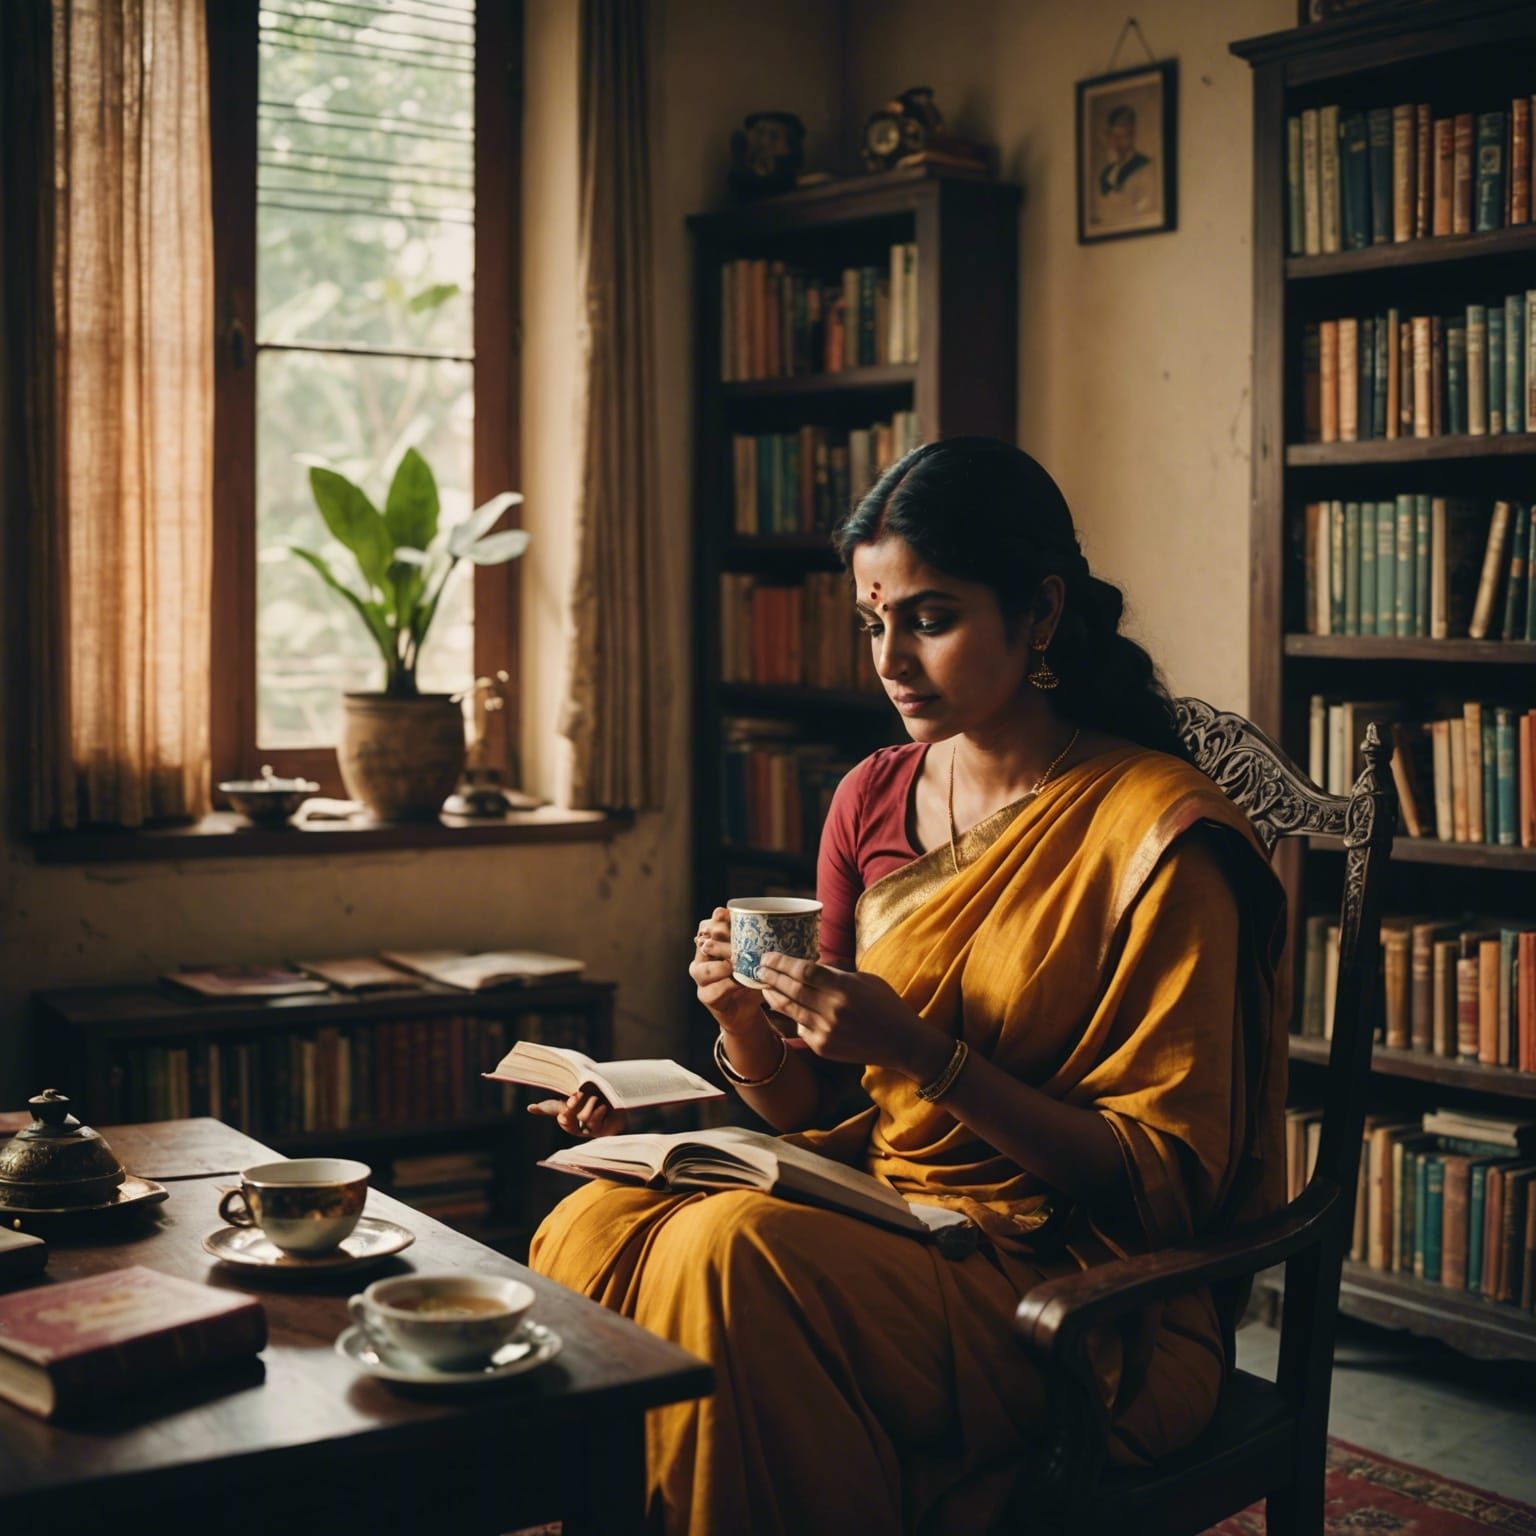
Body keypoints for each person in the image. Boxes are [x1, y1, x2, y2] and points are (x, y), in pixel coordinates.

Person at [529, 437, 1287, 1536]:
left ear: (1039, 613)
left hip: (1076, 1283)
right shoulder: (870, 799)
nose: (889, 659)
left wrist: (928, 1054)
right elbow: (824, 1107)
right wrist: (747, 1030)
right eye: (872, 622)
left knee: (729, 1256)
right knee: (593, 1223)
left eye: (929, 618)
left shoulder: (1157, 835)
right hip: (889, 1207)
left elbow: (1160, 1181)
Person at [1097, 102, 1153, 212]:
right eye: (1114, 136)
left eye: (1123, 136)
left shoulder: (1144, 165)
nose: (1118, 143)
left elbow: (1142, 207)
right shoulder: (1106, 173)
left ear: (1132, 135)